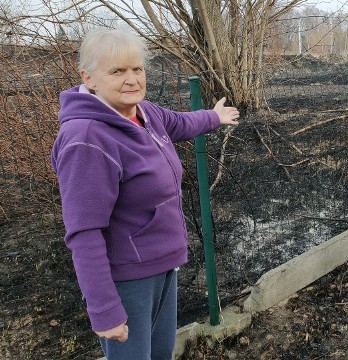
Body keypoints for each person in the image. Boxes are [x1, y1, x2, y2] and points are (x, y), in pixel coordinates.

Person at [50, 28, 239, 360]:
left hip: (162, 263)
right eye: (118, 71)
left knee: (160, 353)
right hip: (128, 280)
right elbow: (84, 232)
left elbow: (179, 123)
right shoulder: (87, 139)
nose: (132, 79)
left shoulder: (144, 114)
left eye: (137, 69)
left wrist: (214, 117)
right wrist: (104, 309)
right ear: (89, 78)